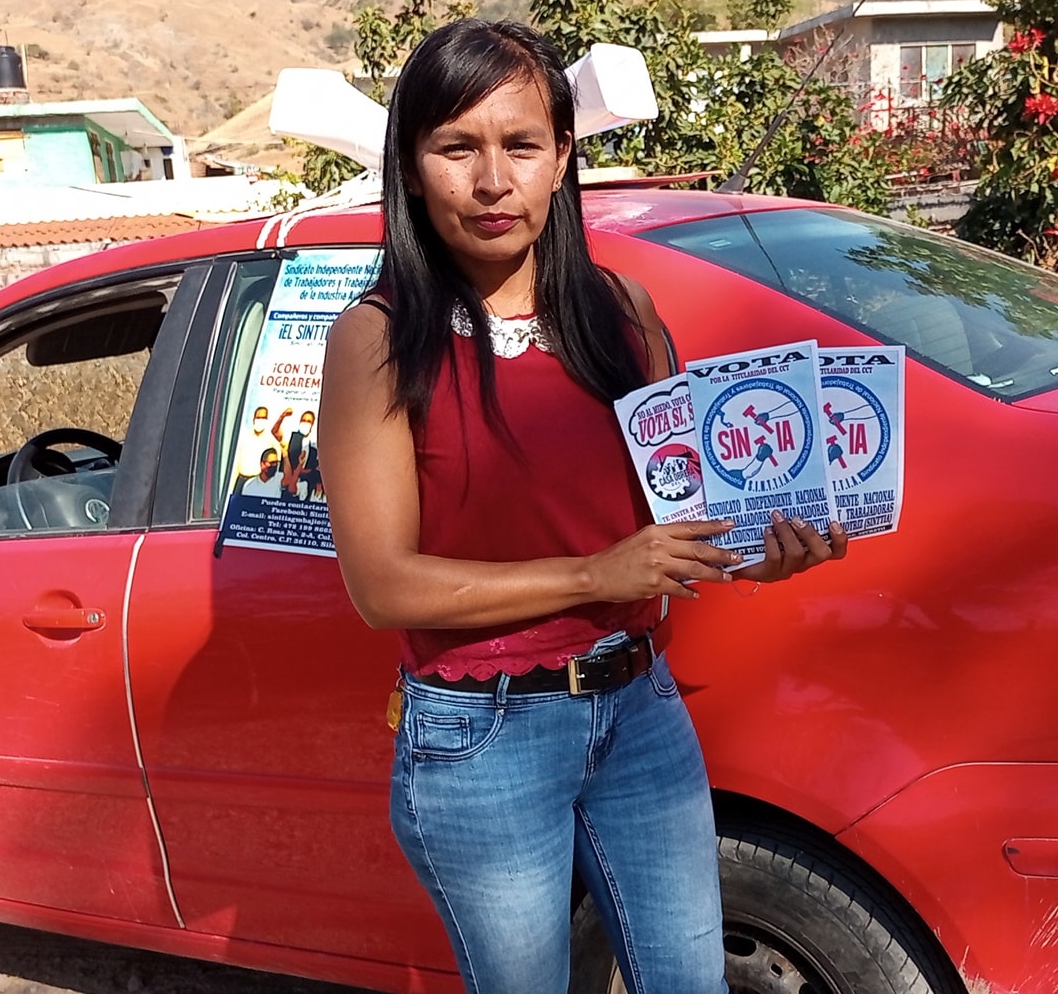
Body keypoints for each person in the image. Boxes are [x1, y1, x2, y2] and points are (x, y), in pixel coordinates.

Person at [318, 19, 848, 994]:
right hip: (482, 734)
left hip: (640, 707)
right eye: (456, 148)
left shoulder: (622, 311)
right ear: (412, 166)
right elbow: (382, 585)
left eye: (521, 145)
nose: (492, 181)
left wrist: (765, 543)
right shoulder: (377, 340)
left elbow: (684, 514)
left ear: (563, 156)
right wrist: (596, 573)